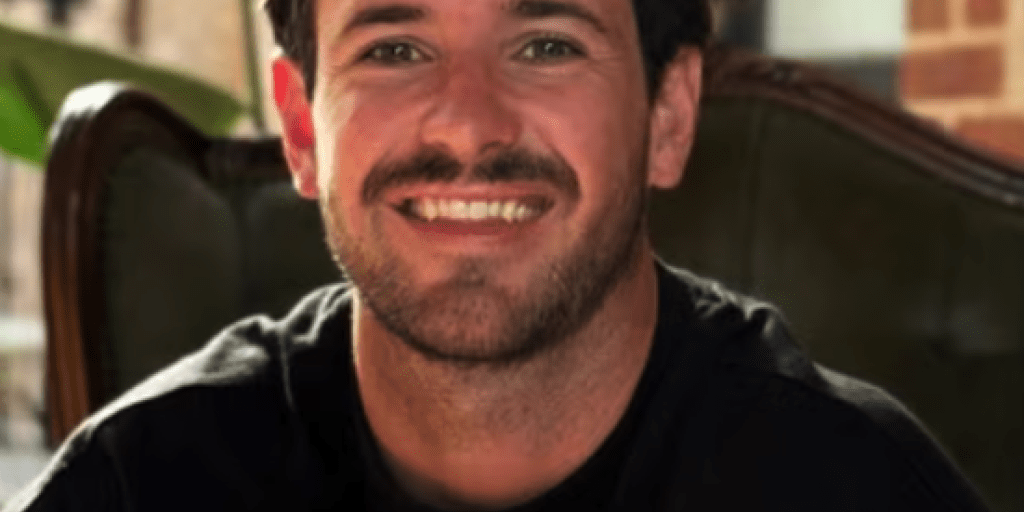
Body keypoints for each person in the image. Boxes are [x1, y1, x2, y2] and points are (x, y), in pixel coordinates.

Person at [8, 0, 993, 510]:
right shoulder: (142, 483)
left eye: (546, 45)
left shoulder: (849, 485)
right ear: (303, 128)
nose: (469, 123)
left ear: (667, 115)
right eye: (394, 48)